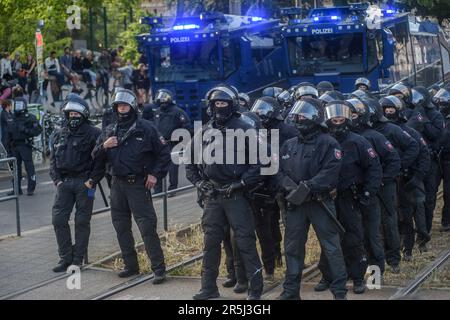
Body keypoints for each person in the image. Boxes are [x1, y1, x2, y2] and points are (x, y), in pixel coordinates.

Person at [186, 85, 264, 300]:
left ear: (233, 105)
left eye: (223, 103)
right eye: (216, 103)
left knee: (245, 241)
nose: (219, 107)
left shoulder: (246, 128)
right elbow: (189, 163)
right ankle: (208, 288)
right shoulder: (204, 132)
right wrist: (200, 183)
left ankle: (255, 289)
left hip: (236, 194)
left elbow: (259, 164)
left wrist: (241, 183)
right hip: (213, 195)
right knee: (210, 243)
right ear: (210, 106)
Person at [92, 88, 169, 283]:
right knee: (121, 227)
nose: (122, 108)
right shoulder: (109, 130)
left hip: (138, 185)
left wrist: (154, 174)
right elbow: (94, 157)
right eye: (119, 106)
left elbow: (164, 154)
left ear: (132, 106)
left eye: (125, 105)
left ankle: (159, 269)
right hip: (117, 185)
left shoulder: (147, 128)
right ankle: (131, 266)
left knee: (147, 227)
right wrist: (104, 146)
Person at [276, 97, 347, 300]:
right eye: (297, 114)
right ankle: (290, 291)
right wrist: (289, 187)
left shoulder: (329, 143)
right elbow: (278, 171)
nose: (298, 118)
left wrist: (308, 186)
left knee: (331, 247)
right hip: (295, 204)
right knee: (292, 247)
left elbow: (331, 171)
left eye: (303, 115)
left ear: (315, 117)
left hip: (319, 203)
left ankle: (339, 292)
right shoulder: (289, 144)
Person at [317, 100, 382, 295]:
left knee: (354, 238)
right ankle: (328, 276)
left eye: (340, 118)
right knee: (328, 239)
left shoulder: (358, 141)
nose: (337, 122)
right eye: (333, 119)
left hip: (350, 197)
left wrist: (368, 193)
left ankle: (357, 277)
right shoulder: (322, 140)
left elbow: (374, 168)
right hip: (326, 197)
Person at [347, 98, 401, 275]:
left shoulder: (374, 136)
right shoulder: (348, 137)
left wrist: (383, 179)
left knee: (387, 222)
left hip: (382, 187)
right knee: (362, 230)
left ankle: (392, 259)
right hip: (360, 190)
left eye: (353, 114)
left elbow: (393, 159)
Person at [50, 94, 102, 272]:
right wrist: (57, 181)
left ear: (84, 114)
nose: (73, 117)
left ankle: (77, 259)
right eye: (70, 114)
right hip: (64, 184)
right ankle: (65, 257)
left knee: (81, 221)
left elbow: (100, 161)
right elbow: (53, 160)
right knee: (58, 220)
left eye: (76, 114)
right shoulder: (59, 133)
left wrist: (92, 181)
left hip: (84, 184)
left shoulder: (94, 133)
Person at [380, 95, 431, 259]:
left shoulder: (411, 133)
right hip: (393, 181)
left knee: (419, 211)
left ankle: (422, 240)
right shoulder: (382, 134)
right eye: (386, 111)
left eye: (392, 110)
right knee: (401, 216)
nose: (389, 113)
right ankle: (405, 247)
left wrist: (417, 177)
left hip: (411, 178)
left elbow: (424, 156)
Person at [404, 86, 444, 234]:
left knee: (430, 197)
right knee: (414, 199)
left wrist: (424, 120)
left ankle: (426, 228)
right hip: (416, 162)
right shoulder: (410, 113)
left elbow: (435, 135)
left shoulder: (435, 115)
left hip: (432, 162)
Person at [153, 89, 191, 195]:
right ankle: (157, 190)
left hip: (174, 144)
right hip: (159, 144)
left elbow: (187, 127)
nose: (162, 100)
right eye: (160, 98)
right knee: (157, 167)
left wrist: (181, 142)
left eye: (164, 98)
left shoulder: (178, 112)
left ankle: (172, 189)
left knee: (173, 168)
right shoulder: (157, 112)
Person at [6, 97, 42, 195]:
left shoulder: (30, 117)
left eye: (19, 105)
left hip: (25, 145)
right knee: (15, 169)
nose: (16, 107)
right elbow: (8, 134)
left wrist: (26, 130)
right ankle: (17, 189)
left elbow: (38, 130)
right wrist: (8, 149)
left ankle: (31, 188)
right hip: (14, 146)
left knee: (29, 167)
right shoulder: (12, 118)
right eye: (15, 105)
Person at [433, 88, 450, 232]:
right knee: (432, 191)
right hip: (438, 158)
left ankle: (446, 220)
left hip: (448, 158)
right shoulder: (438, 117)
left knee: (449, 191)